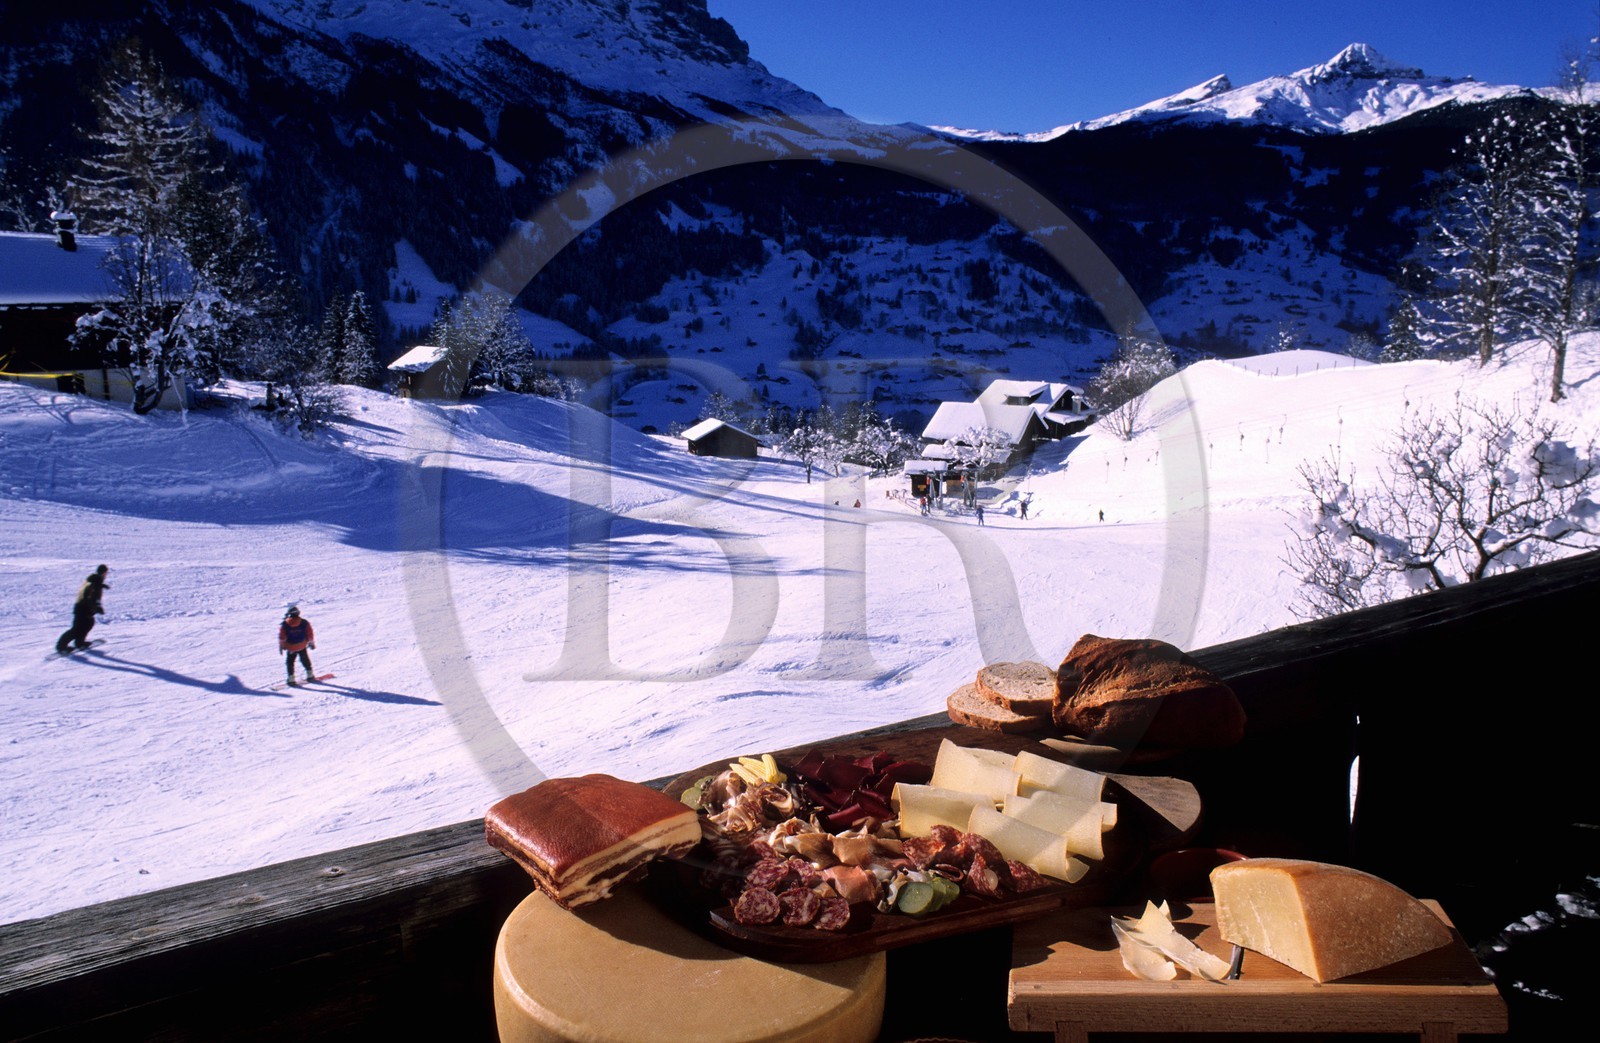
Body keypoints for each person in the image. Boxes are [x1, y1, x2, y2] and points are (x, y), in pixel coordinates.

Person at [56, 564, 108, 654]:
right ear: (104, 573)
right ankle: (61, 646)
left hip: (82, 607)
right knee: (77, 629)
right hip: (83, 608)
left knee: (87, 624)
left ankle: (80, 643)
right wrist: (97, 608)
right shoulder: (96, 583)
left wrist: (102, 585)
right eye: (106, 573)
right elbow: (92, 597)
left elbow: (91, 590)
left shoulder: (93, 580)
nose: (106, 575)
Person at [278, 605, 317, 686]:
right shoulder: (304, 622)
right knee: (305, 659)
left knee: (290, 662)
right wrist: (312, 643)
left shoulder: (285, 624)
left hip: (291, 647)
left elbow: (282, 637)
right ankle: (310, 674)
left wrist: (281, 647)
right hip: (302, 645)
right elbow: (310, 634)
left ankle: (291, 678)